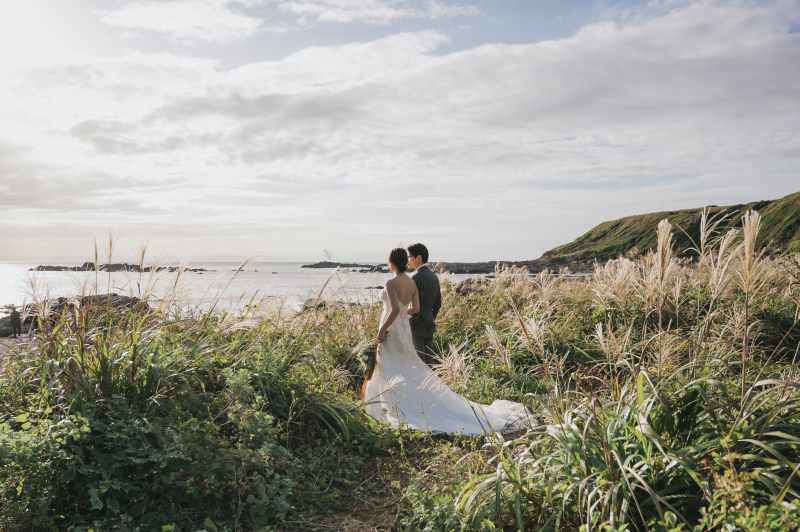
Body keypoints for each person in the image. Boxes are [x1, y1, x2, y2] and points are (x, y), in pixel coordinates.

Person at [363, 247, 529, 436]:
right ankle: (406, 400)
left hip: (392, 330)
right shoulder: (412, 283)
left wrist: (383, 330)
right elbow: (415, 308)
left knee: (390, 365)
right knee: (407, 366)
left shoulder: (390, 282)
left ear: (391, 263)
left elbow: (393, 310)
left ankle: (389, 406)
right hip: (404, 330)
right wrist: (402, 314)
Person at [407, 243, 441, 367]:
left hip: (418, 326)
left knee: (419, 364)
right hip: (429, 325)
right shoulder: (434, 276)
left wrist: (411, 323)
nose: (408, 259)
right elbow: (438, 303)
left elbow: (418, 306)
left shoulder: (416, 277)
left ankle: (423, 387)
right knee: (429, 365)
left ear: (418, 257)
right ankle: (433, 387)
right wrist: (430, 318)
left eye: (410, 256)